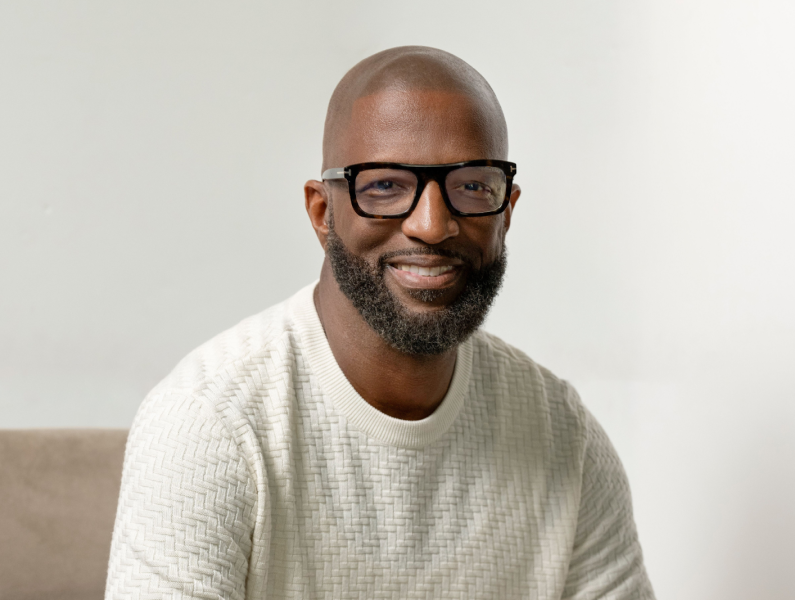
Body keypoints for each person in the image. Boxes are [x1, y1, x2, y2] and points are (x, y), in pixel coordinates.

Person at [105, 46, 655, 599]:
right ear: (323, 214)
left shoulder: (563, 438)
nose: (432, 224)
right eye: (386, 186)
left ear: (506, 212)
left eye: (470, 185)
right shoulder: (211, 427)